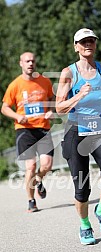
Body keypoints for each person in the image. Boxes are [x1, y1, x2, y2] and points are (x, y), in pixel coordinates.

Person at [56, 28, 101, 245]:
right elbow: (59, 107)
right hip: (76, 132)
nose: (88, 44)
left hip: (99, 129)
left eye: (91, 40)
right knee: (82, 187)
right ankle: (85, 225)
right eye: (83, 41)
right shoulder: (68, 73)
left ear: (95, 44)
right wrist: (78, 95)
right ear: (75, 46)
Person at [1, 52, 54, 212]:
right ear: (21, 63)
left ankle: (38, 180)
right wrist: (17, 116)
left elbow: (52, 98)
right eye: (27, 61)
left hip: (43, 128)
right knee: (30, 166)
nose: (30, 63)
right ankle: (31, 200)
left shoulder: (44, 81)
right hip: (24, 130)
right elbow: (4, 107)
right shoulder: (15, 85)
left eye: (32, 61)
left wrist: (51, 110)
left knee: (46, 165)